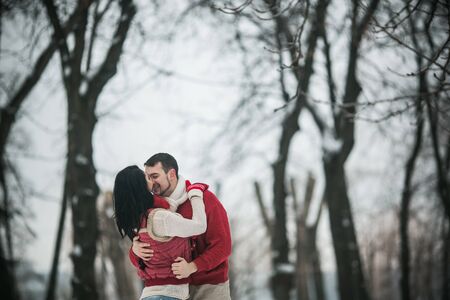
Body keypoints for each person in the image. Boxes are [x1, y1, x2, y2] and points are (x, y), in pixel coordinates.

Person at [132, 153, 232, 300]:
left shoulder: (204, 199)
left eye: (154, 176)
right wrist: (135, 252)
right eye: (147, 177)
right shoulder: (152, 209)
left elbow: (223, 246)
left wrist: (193, 267)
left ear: (171, 174)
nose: (151, 182)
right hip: (171, 291)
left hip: (209, 287)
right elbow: (149, 255)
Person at [113, 165, 209, 300]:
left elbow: (169, 206)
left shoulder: (137, 221)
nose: (152, 182)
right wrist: (195, 194)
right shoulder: (160, 218)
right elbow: (200, 226)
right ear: (140, 185)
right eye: (148, 178)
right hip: (168, 295)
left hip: (152, 294)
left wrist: (133, 252)